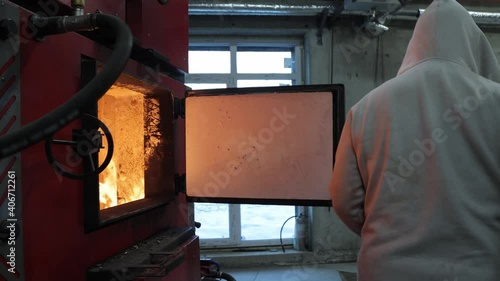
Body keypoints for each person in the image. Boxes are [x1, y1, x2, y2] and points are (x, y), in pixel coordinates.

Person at [329, 0, 500, 280]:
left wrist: (387, 233)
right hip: (478, 269)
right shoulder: (495, 100)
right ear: (472, 42)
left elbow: (344, 199)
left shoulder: (366, 107)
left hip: (386, 269)